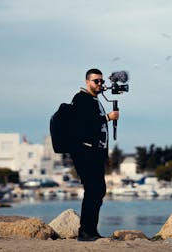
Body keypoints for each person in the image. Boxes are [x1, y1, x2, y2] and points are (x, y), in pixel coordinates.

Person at [70, 68, 119, 241]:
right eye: (96, 81)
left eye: (101, 81)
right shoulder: (81, 98)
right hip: (85, 153)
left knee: (98, 190)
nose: (100, 84)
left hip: (95, 154)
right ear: (87, 82)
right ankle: (85, 232)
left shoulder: (93, 99)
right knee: (93, 190)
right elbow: (84, 123)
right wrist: (108, 117)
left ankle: (91, 230)